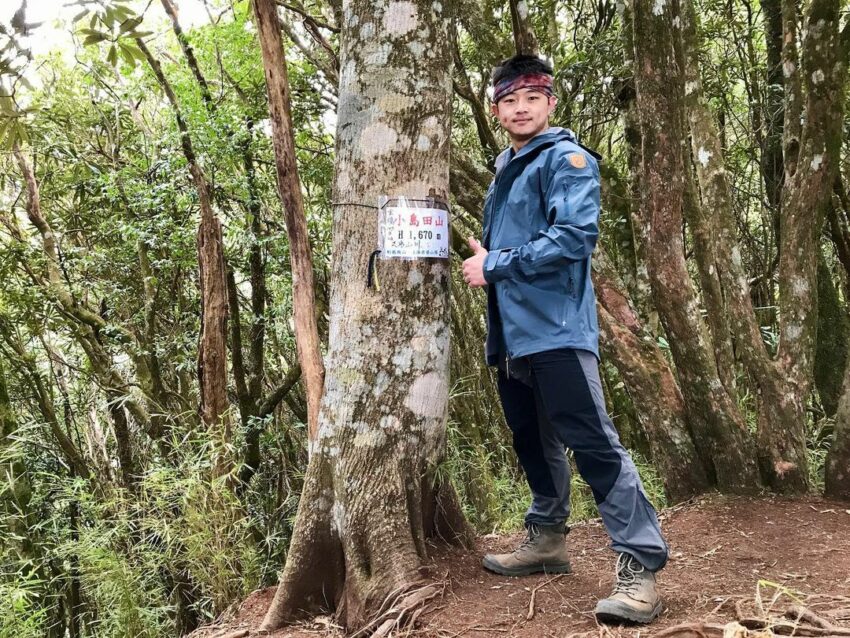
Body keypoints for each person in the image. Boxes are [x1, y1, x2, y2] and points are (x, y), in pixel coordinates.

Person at [461, 54, 669, 624]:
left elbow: (574, 238)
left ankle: (640, 568)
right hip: (511, 334)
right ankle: (548, 539)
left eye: (531, 98)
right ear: (496, 108)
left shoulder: (567, 159)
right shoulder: (508, 165)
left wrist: (496, 264)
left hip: (556, 330)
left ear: (550, 103)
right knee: (532, 436)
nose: (520, 108)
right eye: (509, 100)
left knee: (593, 443)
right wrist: (489, 261)